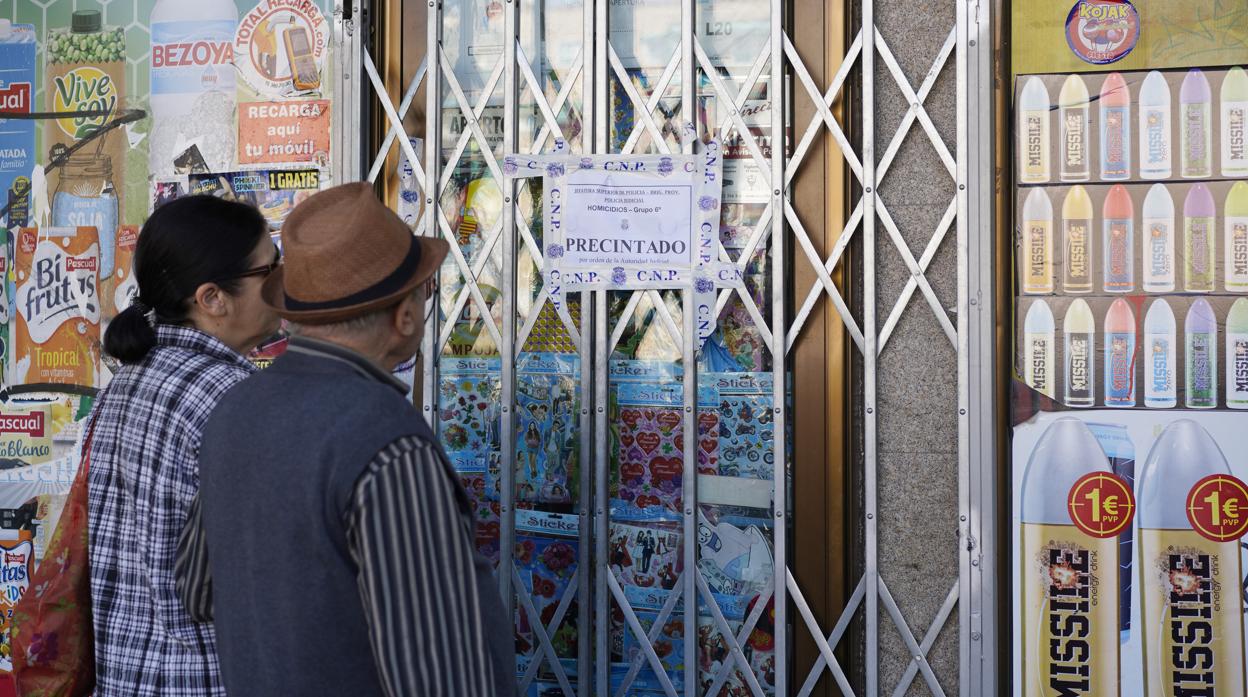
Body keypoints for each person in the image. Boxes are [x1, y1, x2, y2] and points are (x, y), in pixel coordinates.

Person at [178, 183, 512, 696]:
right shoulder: (388, 443)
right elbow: (440, 676)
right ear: (405, 315)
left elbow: (198, 590)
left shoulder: (234, 410)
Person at [87, 195, 281, 696]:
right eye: (270, 270)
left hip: (124, 675)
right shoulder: (232, 397)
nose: (284, 283)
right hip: (202, 678)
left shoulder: (126, 382)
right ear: (213, 297)